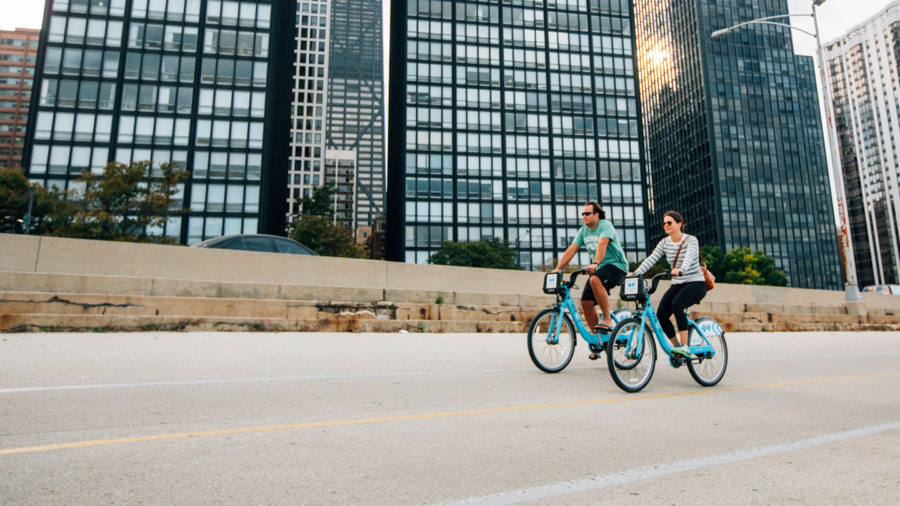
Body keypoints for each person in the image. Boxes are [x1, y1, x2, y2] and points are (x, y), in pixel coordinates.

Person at [553, 201, 629, 359]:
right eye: (582, 214)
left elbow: (602, 244)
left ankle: (607, 319)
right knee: (585, 304)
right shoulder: (583, 231)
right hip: (600, 268)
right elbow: (572, 249)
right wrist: (558, 268)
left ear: (597, 215)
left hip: (617, 266)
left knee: (595, 279)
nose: (584, 216)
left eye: (587, 213)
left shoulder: (605, 225)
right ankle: (599, 341)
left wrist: (595, 263)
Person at [629, 211, 706, 357]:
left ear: (679, 224)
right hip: (677, 284)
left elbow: (689, 257)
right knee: (661, 315)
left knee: (677, 304)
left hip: (696, 283)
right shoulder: (664, 243)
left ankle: (684, 346)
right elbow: (651, 259)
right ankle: (676, 347)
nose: (666, 225)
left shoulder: (691, 240)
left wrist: (681, 269)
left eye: (669, 222)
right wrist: (636, 273)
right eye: (664, 223)